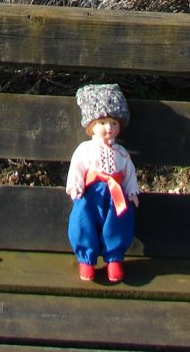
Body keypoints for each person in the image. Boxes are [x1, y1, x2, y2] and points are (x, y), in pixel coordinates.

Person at [66, 83, 139, 283]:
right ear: (91, 125)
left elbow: (129, 172)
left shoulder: (122, 153)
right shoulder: (85, 149)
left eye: (114, 123)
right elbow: (77, 167)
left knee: (119, 221)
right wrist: (76, 185)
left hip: (116, 194)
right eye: (103, 122)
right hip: (91, 193)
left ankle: (114, 259)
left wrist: (132, 192)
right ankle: (86, 260)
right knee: (82, 220)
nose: (109, 127)